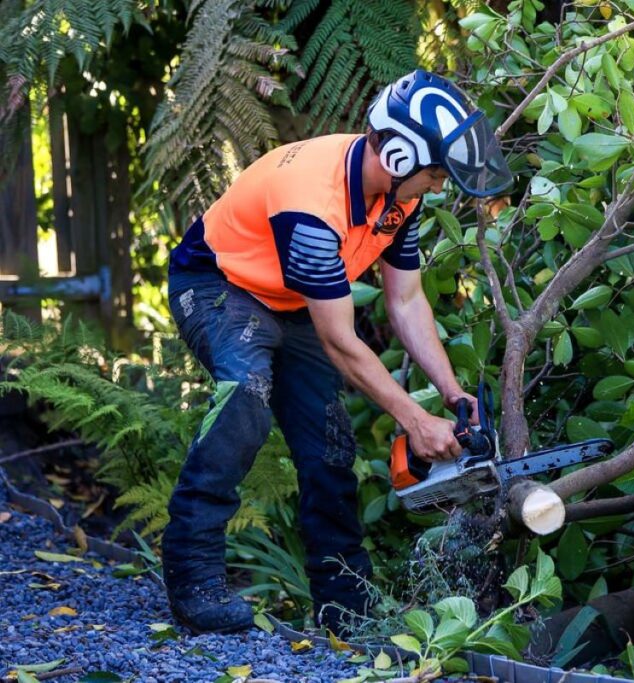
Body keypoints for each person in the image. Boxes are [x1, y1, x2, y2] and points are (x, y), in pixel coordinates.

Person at [161, 70, 513, 635]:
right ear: (399, 157)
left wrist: (451, 394)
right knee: (246, 397)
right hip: (218, 283)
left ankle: (344, 600)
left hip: (291, 298)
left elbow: (406, 299)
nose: (439, 187)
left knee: (328, 443)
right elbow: (341, 343)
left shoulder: (400, 198)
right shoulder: (313, 206)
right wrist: (414, 419)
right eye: (435, 174)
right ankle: (193, 573)